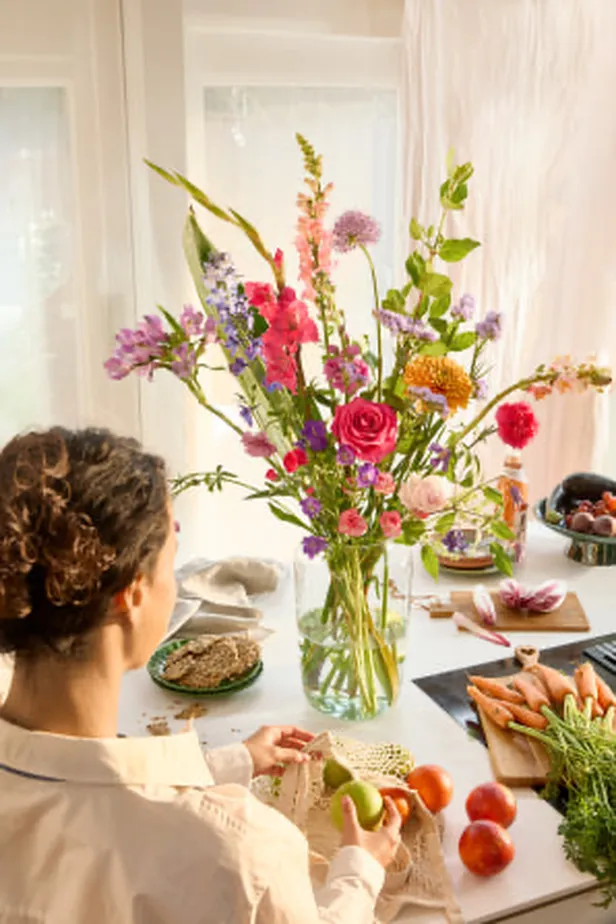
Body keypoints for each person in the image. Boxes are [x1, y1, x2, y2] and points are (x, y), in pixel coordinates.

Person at [0, 427, 401, 923]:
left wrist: (226, 763)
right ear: (132, 593)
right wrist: (359, 872)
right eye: (172, 561)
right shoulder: (241, 855)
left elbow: (79, 789)